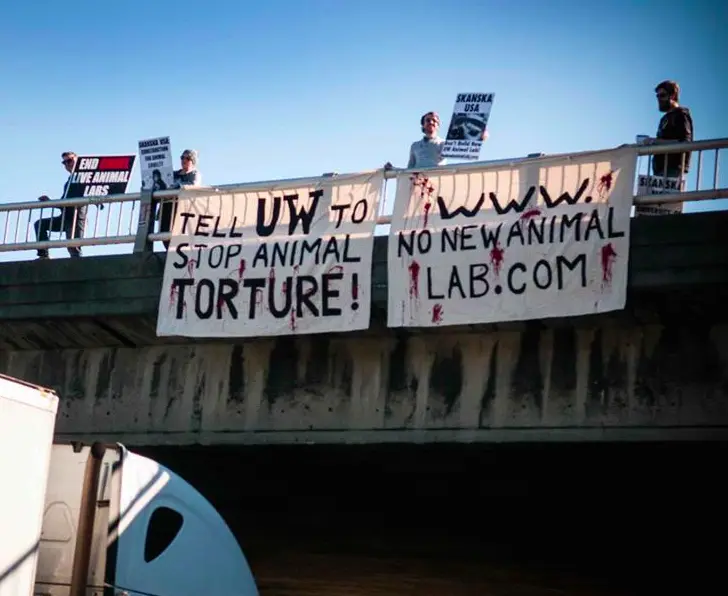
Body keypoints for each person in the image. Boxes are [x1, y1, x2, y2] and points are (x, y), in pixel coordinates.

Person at [33, 151, 86, 259]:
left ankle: (79, 268)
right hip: (65, 217)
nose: (67, 164)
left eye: (70, 160)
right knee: (40, 224)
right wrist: (50, 202)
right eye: (64, 162)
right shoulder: (69, 181)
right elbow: (64, 202)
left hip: (76, 217)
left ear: (77, 161)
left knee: (73, 248)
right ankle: (43, 255)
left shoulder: (84, 178)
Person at [641, 80, 694, 178]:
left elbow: (685, 143)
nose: (659, 99)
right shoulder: (665, 118)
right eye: (657, 96)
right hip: (660, 171)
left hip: (673, 169)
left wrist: (654, 141)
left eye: (662, 95)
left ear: (673, 96)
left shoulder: (681, 114)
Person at [158, 149, 202, 249]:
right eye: (182, 157)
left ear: (193, 161)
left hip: (181, 209)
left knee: (180, 233)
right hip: (167, 208)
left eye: (187, 158)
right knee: (164, 233)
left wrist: (176, 187)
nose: (184, 160)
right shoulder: (173, 174)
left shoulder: (195, 174)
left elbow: (193, 185)